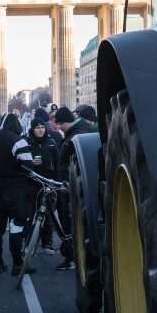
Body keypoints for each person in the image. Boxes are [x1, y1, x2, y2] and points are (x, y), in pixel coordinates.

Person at [0, 113, 37, 276]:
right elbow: (28, 167)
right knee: (16, 226)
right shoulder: (18, 141)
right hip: (16, 189)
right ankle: (17, 264)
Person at [52, 106, 96, 270]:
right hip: (71, 187)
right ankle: (73, 256)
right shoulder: (79, 132)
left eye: (59, 124)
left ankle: (72, 257)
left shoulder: (76, 135)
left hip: (72, 189)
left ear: (63, 123)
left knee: (71, 224)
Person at [25, 116, 61, 254]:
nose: (40, 130)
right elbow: (20, 162)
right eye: (37, 127)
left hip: (48, 182)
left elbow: (57, 163)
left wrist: (56, 181)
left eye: (41, 127)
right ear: (32, 129)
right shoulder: (27, 142)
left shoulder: (51, 143)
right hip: (32, 183)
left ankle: (47, 243)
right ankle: (30, 242)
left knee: (49, 215)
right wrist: (31, 163)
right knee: (32, 214)